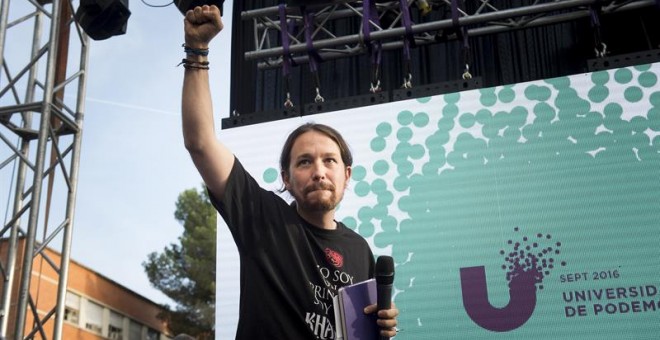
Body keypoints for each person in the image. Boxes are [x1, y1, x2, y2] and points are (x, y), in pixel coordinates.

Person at [181, 4, 399, 339]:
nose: (318, 171)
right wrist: (198, 51)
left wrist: (380, 328)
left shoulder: (359, 250)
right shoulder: (262, 217)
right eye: (304, 161)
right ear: (285, 177)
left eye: (329, 160)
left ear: (347, 175)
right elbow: (200, 143)